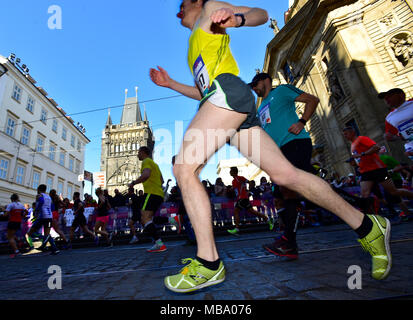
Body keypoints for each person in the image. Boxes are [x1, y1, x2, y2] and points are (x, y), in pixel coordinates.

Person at [150, 0, 391, 293]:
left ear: (197, 3)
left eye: (183, 3)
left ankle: (209, 263)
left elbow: (262, 15)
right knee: (286, 176)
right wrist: (171, 84)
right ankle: (368, 226)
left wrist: (236, 19)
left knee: (183, 167)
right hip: (225, 102)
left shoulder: (208, 10)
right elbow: (203, 91)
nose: (178, 10)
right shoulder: (194, 44)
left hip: (227, 95)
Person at [250, 72, 320, 260]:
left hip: (295, 142)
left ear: (266, 81)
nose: (254, 88)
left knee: (287, 189)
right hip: (279, 152)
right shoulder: (260, 109)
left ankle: (288, 242)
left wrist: (301, 122)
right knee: (279, 196)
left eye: (255, 84)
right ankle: (289, 241)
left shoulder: (281, 91)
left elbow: (313, 100)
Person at [343, 126, 413, 214]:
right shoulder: (352, 145)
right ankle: (369, 218)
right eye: (344, 135)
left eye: (346, 134)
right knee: (364, 195)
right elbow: (359, 158)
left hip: (378, 169)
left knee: (394, 192)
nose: (345, 136)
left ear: (352, 133)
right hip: (366, 172)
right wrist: (360, 164)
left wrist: (362, 154)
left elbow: (376, 147)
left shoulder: (361, 139)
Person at [129, 146, 171, 252]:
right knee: (150, 219)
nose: (137, 154)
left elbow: (146, 175)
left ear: (143, 152)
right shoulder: (155, 164)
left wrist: (133, 183)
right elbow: (161, 180)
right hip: (159, 194)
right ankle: (171, 221)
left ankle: (159, 244)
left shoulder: (146, 161)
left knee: (144, 219)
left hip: (151, 193)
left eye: (138, 152)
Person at [227, 167, 272, 235]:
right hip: (242, 198)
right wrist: (230, 189)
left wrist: (249, 191)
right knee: (253, 211)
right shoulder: (234, 181)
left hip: (242, 198)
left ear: (234, 172)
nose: (229, 172)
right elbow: (235, 188)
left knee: (236, 211)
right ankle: (268, 220)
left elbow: (249, 182)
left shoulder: (239, 178)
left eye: (230, 171)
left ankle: (237, 229)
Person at [26, 185, 60, 255]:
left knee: (29, 233)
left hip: (42, 217)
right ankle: (54, 249)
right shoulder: (49, 197)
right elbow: (52, 207)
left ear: (38, 189)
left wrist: (36, 211)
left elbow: (40, 202)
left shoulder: (39, 195)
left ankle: (36, 246)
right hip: (49, 217)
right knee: (47, 234)